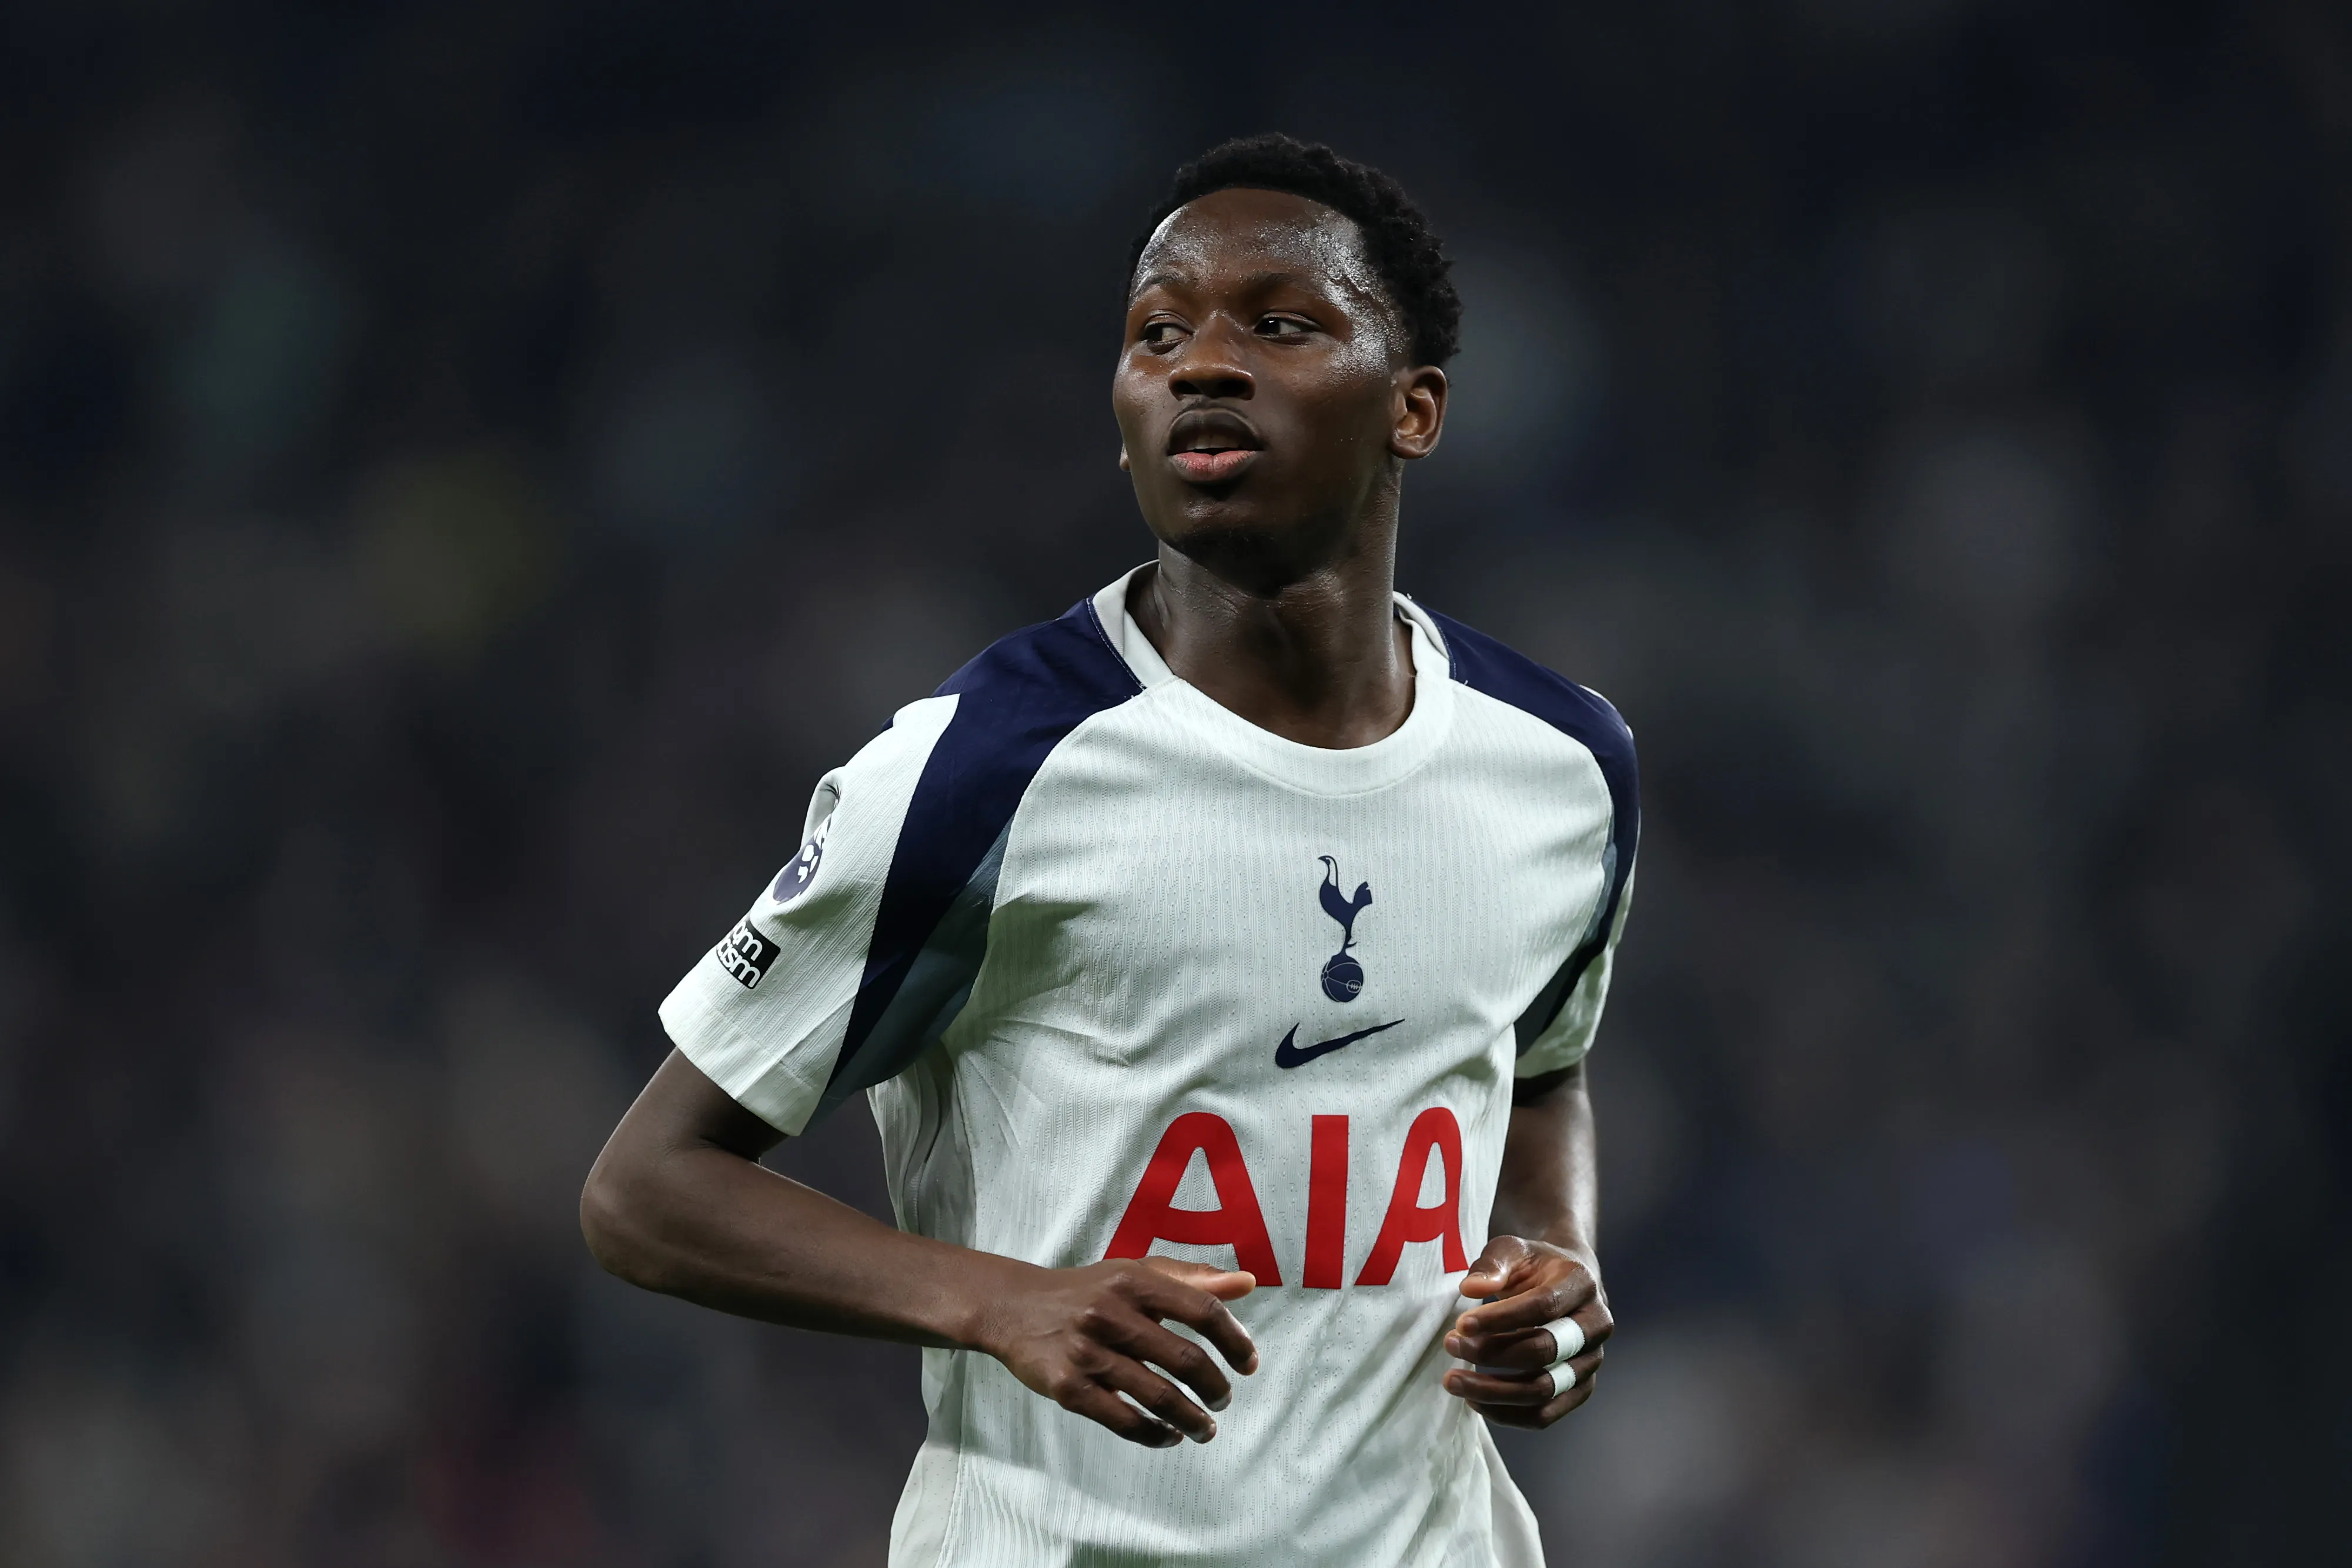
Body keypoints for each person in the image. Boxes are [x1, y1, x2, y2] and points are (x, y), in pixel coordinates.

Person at [580, 133, 1638, 1568]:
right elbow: (646, 1189)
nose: (1201, 361)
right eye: (1157, 333)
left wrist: (1557, 1253)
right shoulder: (982, 769)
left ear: (1415, 407)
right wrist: (995, 1299)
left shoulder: (1560, 767)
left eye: (1277, 321)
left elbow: (1540, 1063)